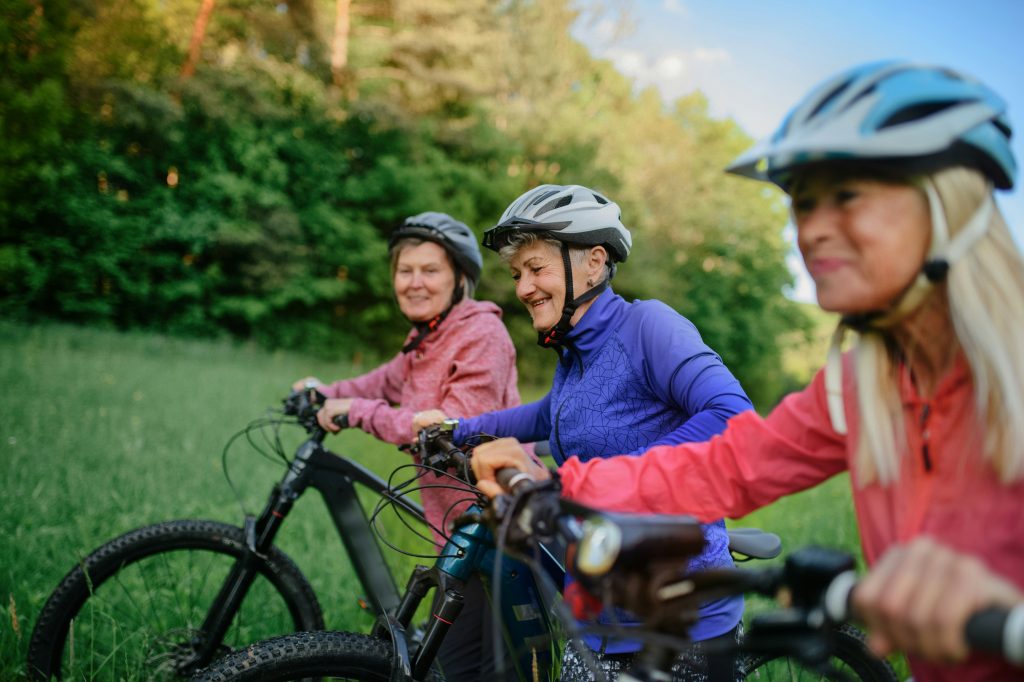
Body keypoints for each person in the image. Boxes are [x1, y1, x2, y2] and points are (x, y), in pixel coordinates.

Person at [469, 61, 1024, 682]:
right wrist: (562, 490)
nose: (810, 229)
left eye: (846, 197)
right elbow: (734, 461)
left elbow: (723, 413)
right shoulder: (861, 386)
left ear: (948, 205)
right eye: (802, 204)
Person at [414, 184, 755, 681]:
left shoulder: (649, 327)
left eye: (536, 268)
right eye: (517, 274)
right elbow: (544, 416)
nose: (524, 287)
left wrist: (608, 479)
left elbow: (732, 414)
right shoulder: (575, 355)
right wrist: (460, 429)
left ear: (594, 262)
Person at [291, 211, 524, 681]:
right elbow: (380, 381)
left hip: (499, 543)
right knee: (442, 670)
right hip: (458, 541)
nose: (414, 282)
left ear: (460, 278)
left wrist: (352, 410)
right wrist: (327, 392)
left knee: (471, 674)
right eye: (405, 270)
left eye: (430, 270)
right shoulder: (425, 340)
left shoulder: (481, 336)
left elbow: (456, 431)